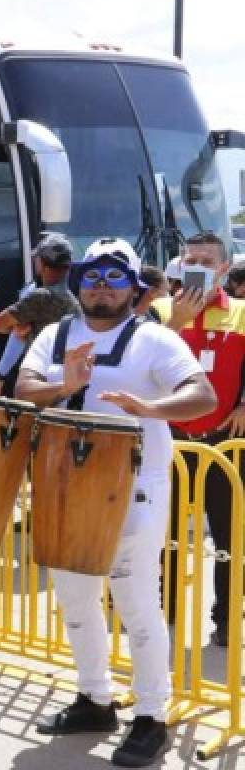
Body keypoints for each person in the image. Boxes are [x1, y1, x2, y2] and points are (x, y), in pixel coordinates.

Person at [16, 238, 215, 768]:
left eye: (114, 277)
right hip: (64, 486)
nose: (102, 287)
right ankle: (95, 699)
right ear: (78, 281)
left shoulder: (154, 339)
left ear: (134, 287)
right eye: (93, 277)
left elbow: (203, 395)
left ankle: (151, 714)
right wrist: (66, 382)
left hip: (136, 488)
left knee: (136, 605)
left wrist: (150, 406)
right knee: (77, 601)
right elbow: (24, 387)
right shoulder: (57, 333)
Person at [153, 233, 245, 647]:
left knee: (230, 537)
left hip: (225, 440)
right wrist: (174, 321)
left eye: (207, 261)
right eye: (191, 259)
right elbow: (141, 361)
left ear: (224, 268)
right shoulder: (159, 312)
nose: (198, 266)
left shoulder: (241, 313)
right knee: (163, 529)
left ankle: (226, 618)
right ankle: (163, 605)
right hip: (172, 439)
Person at [0, 233, 77, 396]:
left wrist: (16, 329)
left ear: (42, 263)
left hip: (37, 379)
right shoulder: (75, 302)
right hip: (61, 380)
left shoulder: (40, 296)